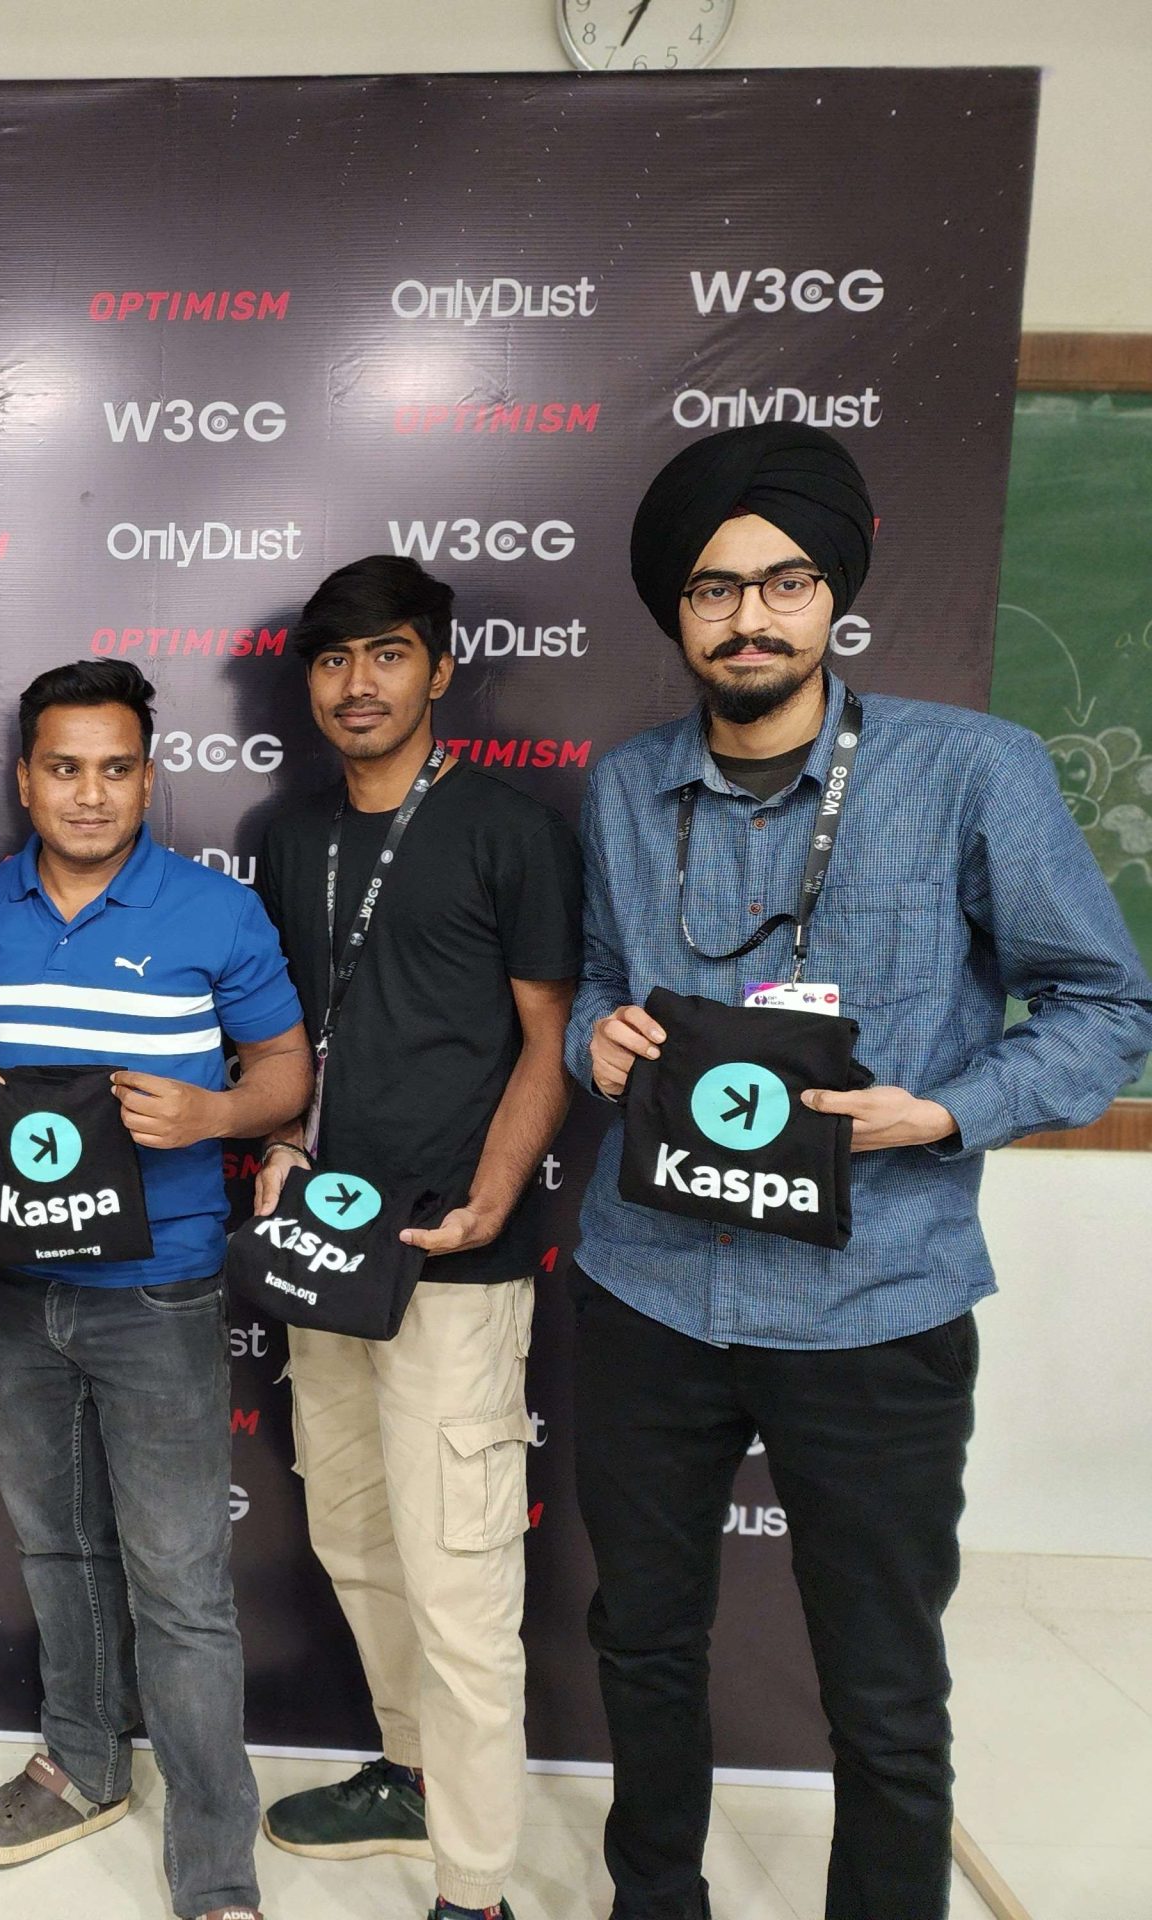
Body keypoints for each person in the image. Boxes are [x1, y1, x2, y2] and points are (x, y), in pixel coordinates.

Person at [568, 422, 1152, 1920]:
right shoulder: (623, 789)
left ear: (834, 596)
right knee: (642, 1641)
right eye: (713, 589)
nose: (749, 618)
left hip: (874, 1303)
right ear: (677, 611)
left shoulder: (971, 771)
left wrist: (939, 1115)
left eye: (786, 582)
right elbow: (596, 982)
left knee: (884, 1686)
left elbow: (1108, 1007)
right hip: (649, 1291)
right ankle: (654, 1899)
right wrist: (596, 1040)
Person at [0, 658, 311, 1920]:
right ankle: (84, 1764)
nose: (89, 794)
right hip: (12, 1282)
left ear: (149, 779)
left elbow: (285, 1070)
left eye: (113, 770)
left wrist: (216, 1114)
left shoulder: (214, 912)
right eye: (64, 768)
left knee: (179, 1583)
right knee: (57, 1545)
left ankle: (214, 1859)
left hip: (159, 1291)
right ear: (23, 778)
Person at [247, 557, 582, 1920]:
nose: (358, 683)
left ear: (440, 670)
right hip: (326, 1249)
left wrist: (494, 1197)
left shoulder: (509, 829)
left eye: (387, 655)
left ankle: (476, 1886)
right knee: (355, 1536)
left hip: (454, 1256)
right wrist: (282, 1146)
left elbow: (550, 1038)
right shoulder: (289, 836)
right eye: (333, 660)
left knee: (458, 1584)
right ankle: (407, 1770)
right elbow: (290, 1039)